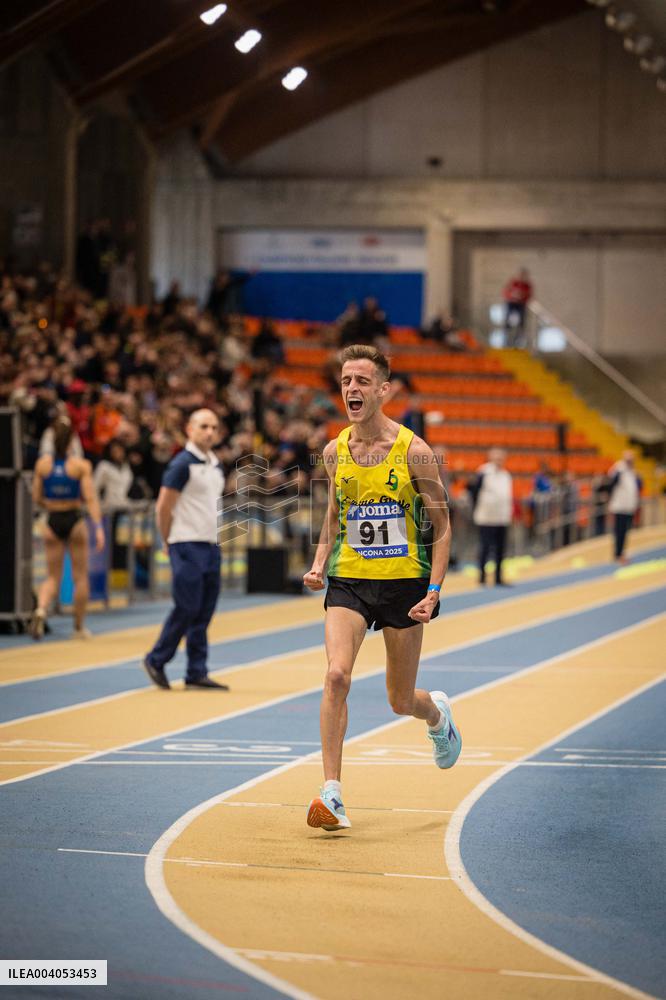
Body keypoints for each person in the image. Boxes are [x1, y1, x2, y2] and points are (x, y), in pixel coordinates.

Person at [302, 344, 461, 832]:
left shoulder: (415, 451)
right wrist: (318, 563)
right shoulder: (333, 451)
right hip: (350, 580)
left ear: (383, 390)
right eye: (347, 380)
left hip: (403, 587)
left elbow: (443, 525)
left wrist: (434, 590)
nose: (352, 388)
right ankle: (333, 793)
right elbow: (334, 514)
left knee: (399, 700)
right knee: (336, 676)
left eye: (362, 381)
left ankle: (436, 716)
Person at [142, 409, 229, 690]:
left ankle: (196, 671)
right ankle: (156, 659)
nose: (209, 432)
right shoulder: (181, 464)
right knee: (187, 606)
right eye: (204, 426)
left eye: (214, 427)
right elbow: (163, 506)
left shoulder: (216, 465)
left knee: (204, 611)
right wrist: (167, 540)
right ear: (190, 429)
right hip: (186, 544)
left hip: (210, 544)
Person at [31, 416, 105, 639]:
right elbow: (90, 498)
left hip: (52, 519)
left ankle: (41, 609)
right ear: (72, 441)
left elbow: (36, 497)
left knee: (52, 577)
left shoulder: (43, 465)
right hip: (74, 519)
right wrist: (98, 526)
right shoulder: (80, 466)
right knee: (80, 576)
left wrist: (50, 504)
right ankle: (79, 627)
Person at [469, 448, 513, 586]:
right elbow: (474, 492)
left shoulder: (506, 475)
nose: (499, 461)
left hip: (502, 518)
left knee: (501, 549)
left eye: (501, 458)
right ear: (490, 458)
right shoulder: (483, 472)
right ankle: (482, 577)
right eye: (497, 458)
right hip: (486, 517)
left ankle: (498, 577)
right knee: (485, 547)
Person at [607, 450, 641, 564]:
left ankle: (622, 552)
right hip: (620, 507)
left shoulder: (632, 472)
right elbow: (611, 484)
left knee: (625, 531)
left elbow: (639, 485)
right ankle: (618, 554)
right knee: (619, 531)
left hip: (629, 507)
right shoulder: (619, 469)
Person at [503, 268, 533, 345]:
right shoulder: (513, 283)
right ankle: (506, 340)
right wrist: (512, 296)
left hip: (521, 304)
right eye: (520, 275)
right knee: (508, 322)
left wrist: (522, 296)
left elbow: (529, 295)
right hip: (511, 303)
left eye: (523, 275)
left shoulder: (527, 285)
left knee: (521, 322)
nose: (521, 276)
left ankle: (518, 341)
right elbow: (506, 292)